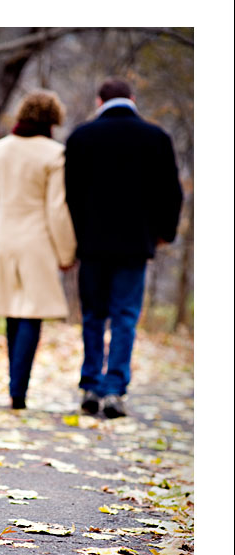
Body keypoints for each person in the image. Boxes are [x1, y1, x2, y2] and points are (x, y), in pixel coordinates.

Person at [65, 77, 183, 418]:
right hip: (135, 244)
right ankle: (115, 389)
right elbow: (172, 194)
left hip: (92, 245)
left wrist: (77, 236)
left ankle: (90, 384)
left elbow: (70, 196)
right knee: (125, 318)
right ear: (132, 99)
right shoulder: (156, 137)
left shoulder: (81, 137)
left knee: (93, 316)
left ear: (99, 101)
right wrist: (165, 233)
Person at [0, 89, 77, 410]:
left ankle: (14, 386)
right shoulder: (54, 154)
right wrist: (66, 253)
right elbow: (57, 209)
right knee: (31, 313)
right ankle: (19, 390)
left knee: (11, 312)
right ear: (53, 120)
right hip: (39, 242)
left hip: (4, 240)